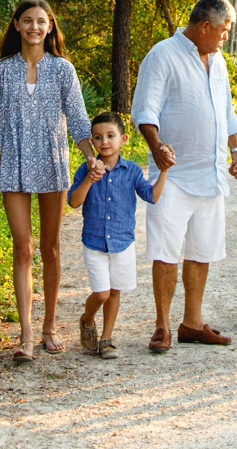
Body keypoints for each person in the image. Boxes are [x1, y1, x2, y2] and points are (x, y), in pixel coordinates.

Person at [131, 0, 237, 353]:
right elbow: (145, 109)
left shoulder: (218, 62)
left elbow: (226, 111)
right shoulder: (162, 55)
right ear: (205, 26)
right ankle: (162, 325)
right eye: (224, 30)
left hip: (211, 174)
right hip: (175, 175)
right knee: (166, 250)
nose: (226, 36)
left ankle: (192, 323)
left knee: (202, 249)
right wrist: (156, 146)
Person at [0, 0, 93, 362]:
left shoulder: (63, 70)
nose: (34, 27)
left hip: (52, 165)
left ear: (50, 26)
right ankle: (26, 333)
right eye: (27, 21)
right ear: (16, 25)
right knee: (23, 248)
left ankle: (49, 327)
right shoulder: (1, 72)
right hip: (11, 167)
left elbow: (77, 119)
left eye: (41, 21)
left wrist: (92, 157)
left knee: (51, 248)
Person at [69, 113, 167, 360]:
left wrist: (164, 171)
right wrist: (91, 179)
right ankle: (87, 319)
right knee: (101, 292)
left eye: (110, 136)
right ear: (92, 142)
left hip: (122, 241)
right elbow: (73, 202)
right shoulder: (85, 169)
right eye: (98, 137)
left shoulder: (131, 170)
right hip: (94, 241)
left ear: (122, 139)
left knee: (114, 291)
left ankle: (107, 338)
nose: (105, 142)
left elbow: (151, 196)